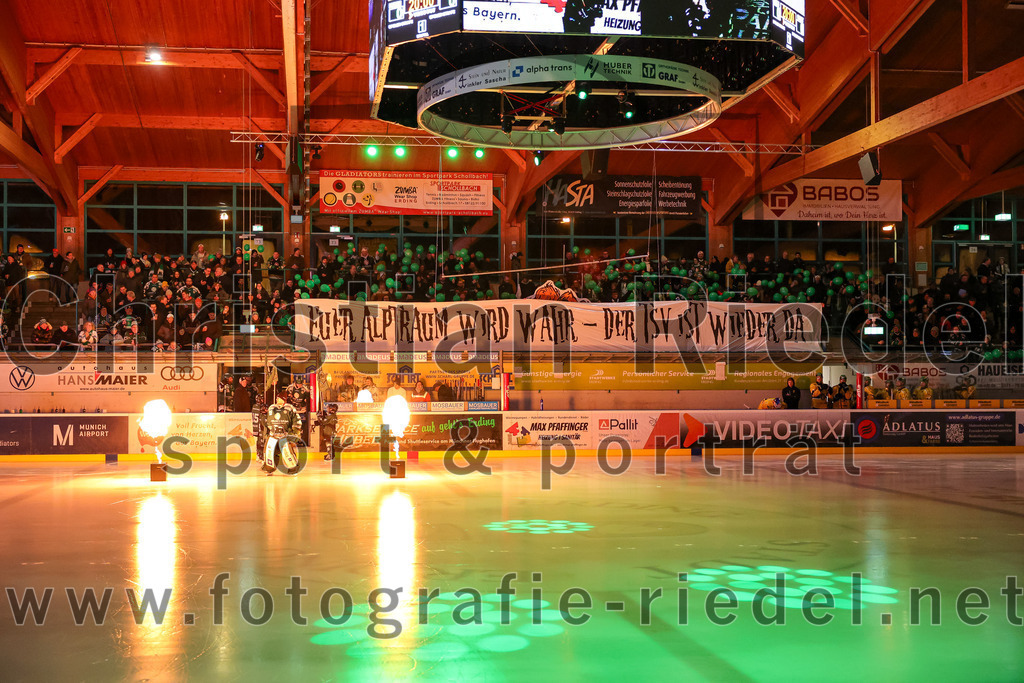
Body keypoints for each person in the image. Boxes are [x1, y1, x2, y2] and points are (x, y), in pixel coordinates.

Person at [260, 397, 302, 475]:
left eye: (280, 399)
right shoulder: (272, 408)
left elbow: (297, 421)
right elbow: (266, 422)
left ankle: (293, 469)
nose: (277, 400)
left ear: (284, 399)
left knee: (288, 453)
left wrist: (295, 433)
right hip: (273, 435)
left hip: (285, 435)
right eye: (277, 399)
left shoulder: (290, 408)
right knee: (270, 452)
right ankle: (269, 468)